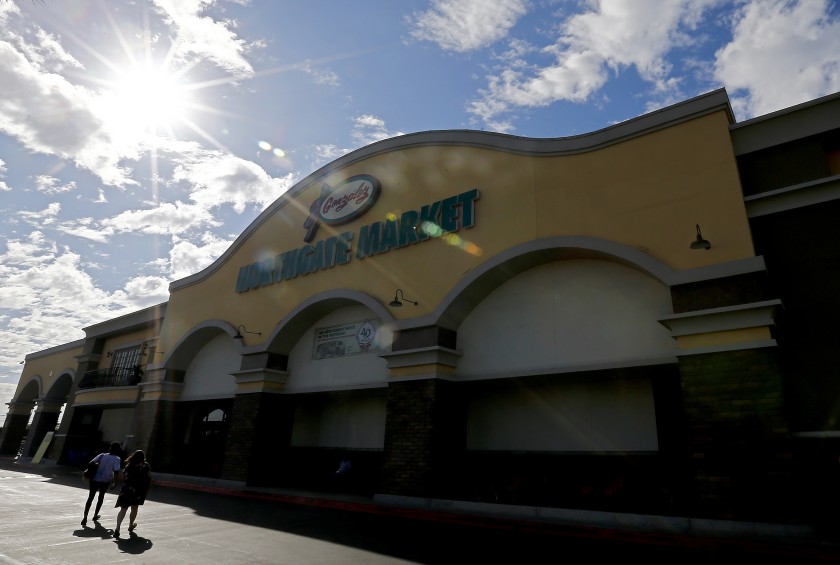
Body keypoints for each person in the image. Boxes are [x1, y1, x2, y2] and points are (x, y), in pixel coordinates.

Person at [81, 441, 122, 526]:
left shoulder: (102, 455)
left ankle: (85, 517)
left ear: (110, 448)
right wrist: (115, 483)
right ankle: (95, 515)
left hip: (95, 479)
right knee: (101, 497)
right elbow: (116, 471)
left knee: (90, 498)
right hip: (105, 481)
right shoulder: (117, 459)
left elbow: (91, 463)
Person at [114, 449, 151, 537]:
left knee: (123, 509)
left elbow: (124, 477)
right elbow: (149, 477)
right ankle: (131, 525)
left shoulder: (128, 466)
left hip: (126, 490)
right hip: (138, 491)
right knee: (134, 509)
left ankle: (117, 528)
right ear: (143, 458)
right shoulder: (145, 466)